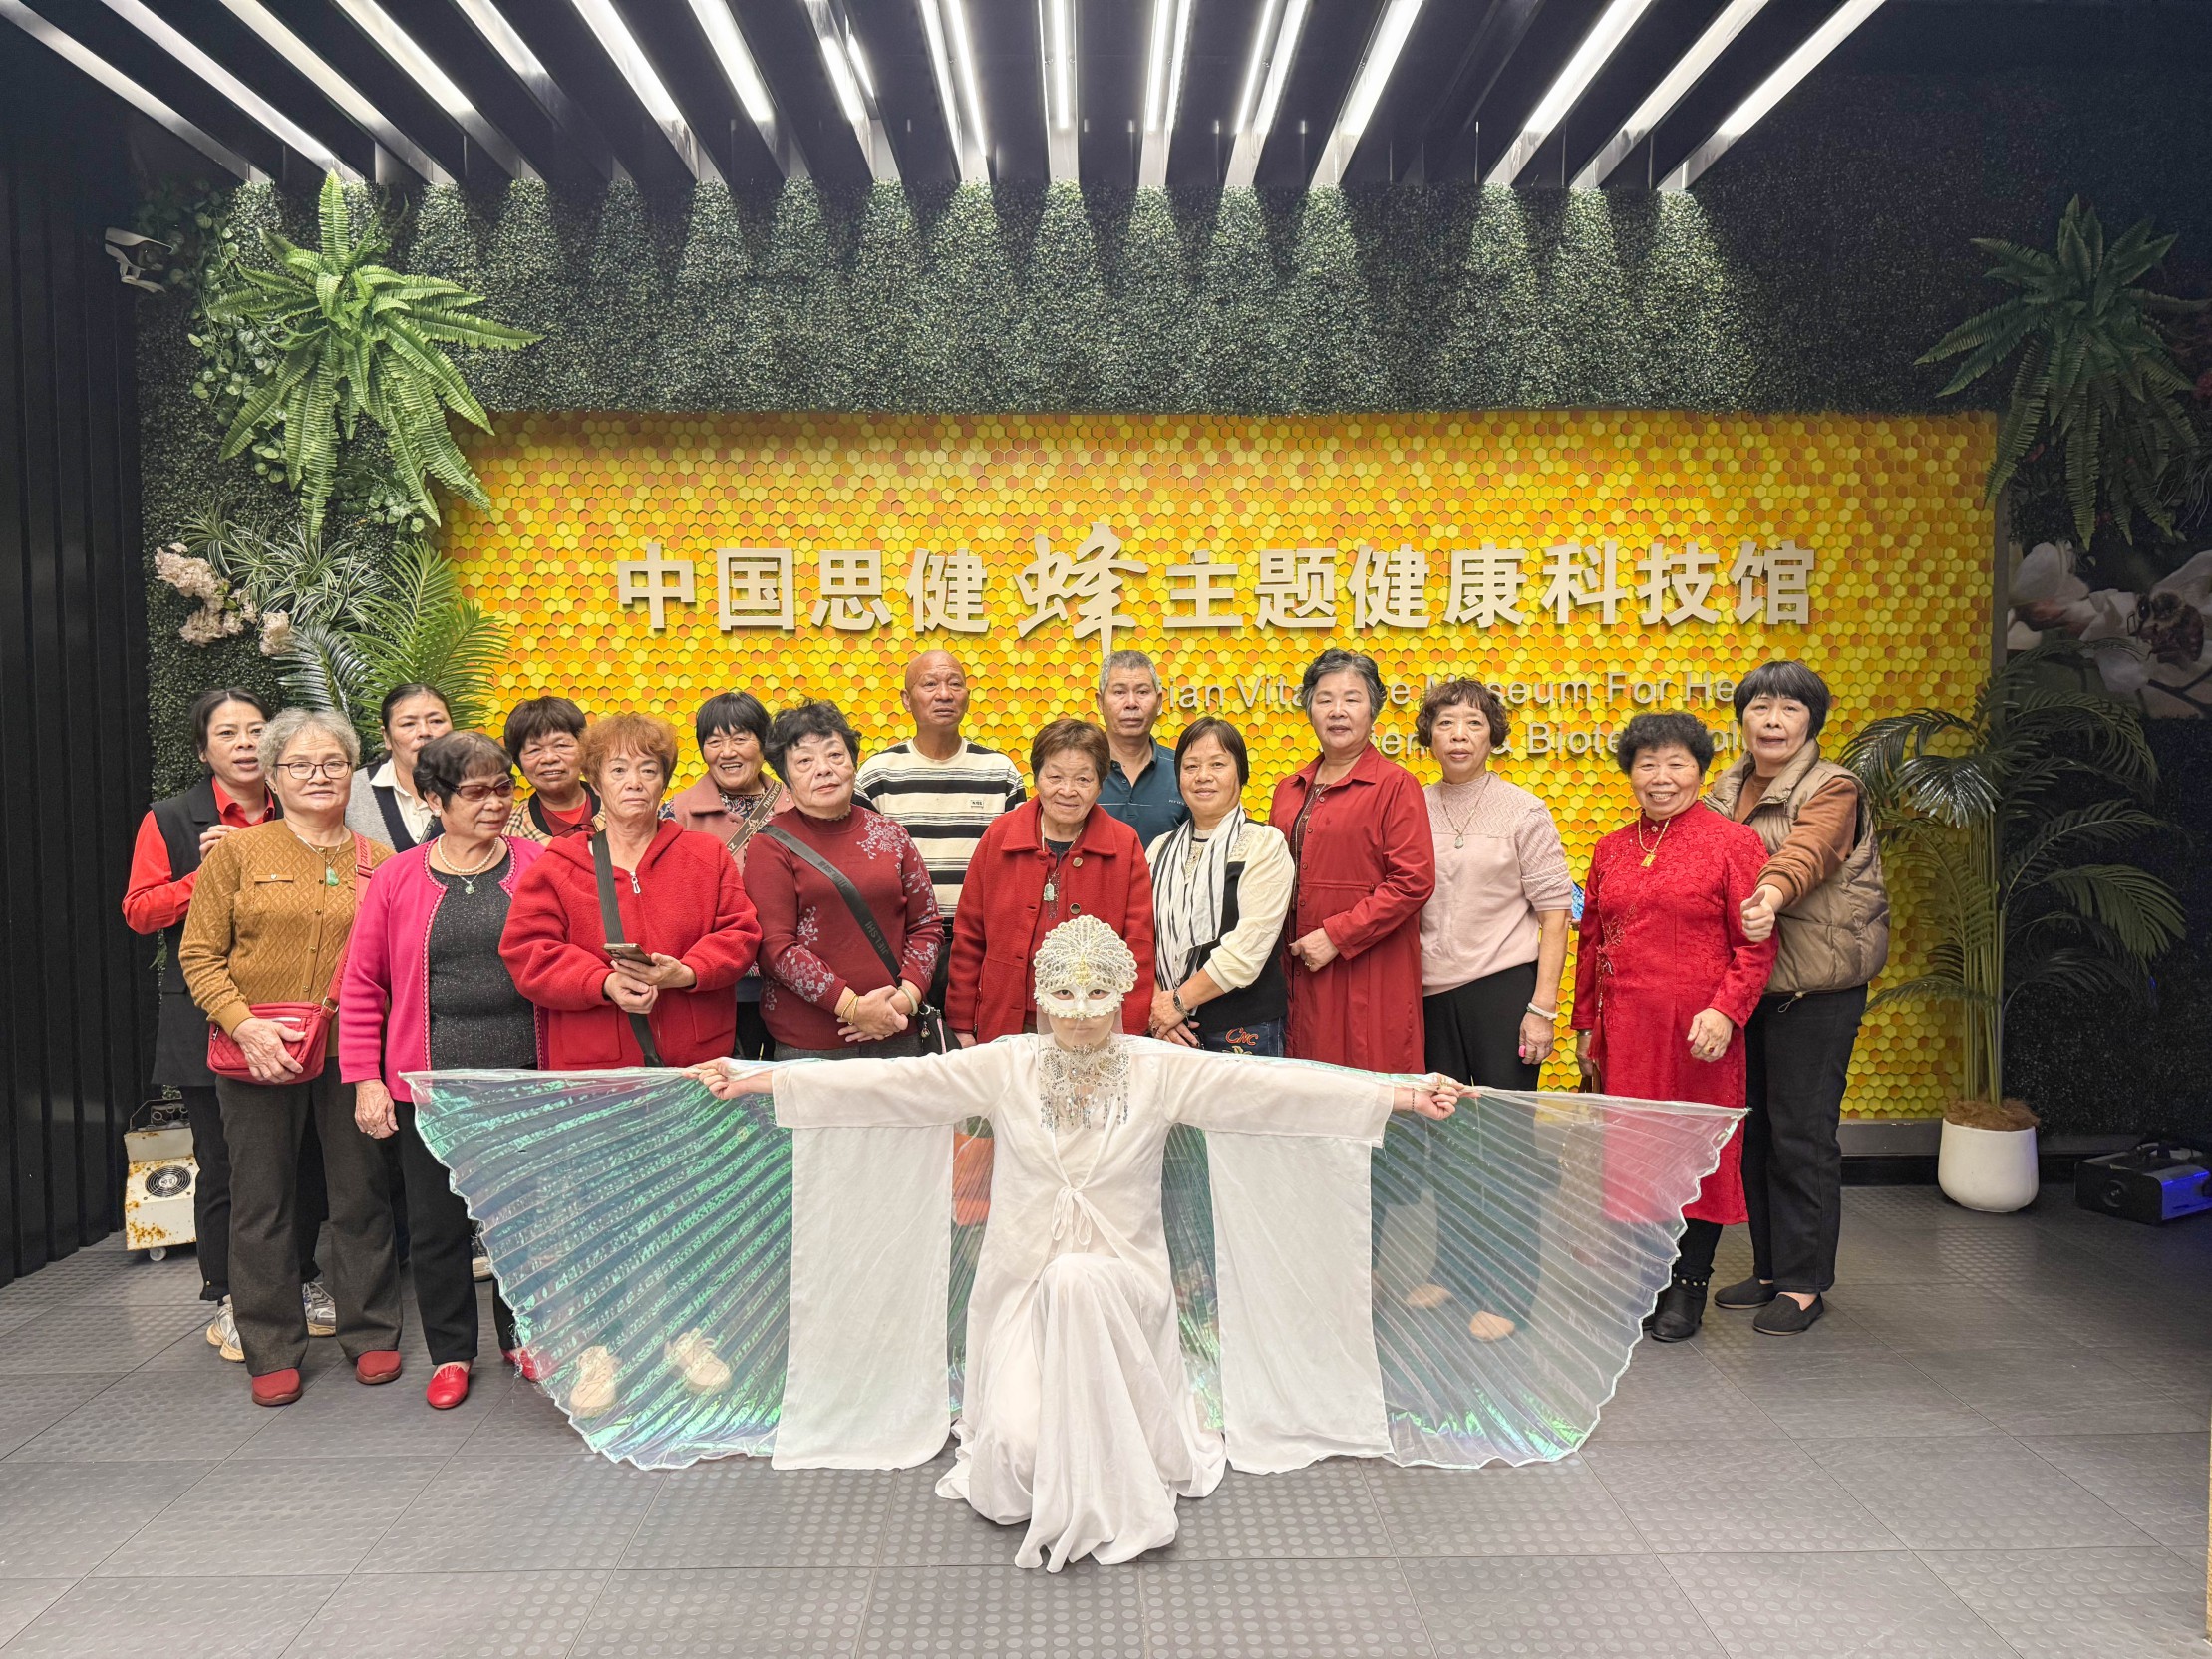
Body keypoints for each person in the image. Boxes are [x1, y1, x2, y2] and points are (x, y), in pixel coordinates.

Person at [412, 918, 1748, 1571]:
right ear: (1038, 995)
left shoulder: (1162, 1070)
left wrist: (1399, 1093)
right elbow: (890, 1088)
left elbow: (1275, 1091)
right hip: (1012, 1284)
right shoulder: (998, 1062)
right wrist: (762, 1078)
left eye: (1096, 991)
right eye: (1057, 990)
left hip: (1124, 1283)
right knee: (1020, 1391)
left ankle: (1123, 1465)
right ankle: (1040, 1458)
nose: (1074, 1010)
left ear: (1123, 993)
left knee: (1092, 1291)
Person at [178, 708, 402, 1407]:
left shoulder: (380, 863)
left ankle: (372, 1333)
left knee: (360, 1193)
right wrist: (245, 1027)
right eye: (300, 765)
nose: (318, 776)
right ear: (273, 777)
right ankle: (270, 1345)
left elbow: (393, 969)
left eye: (333, 763)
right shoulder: (238, 855)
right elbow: (199, 954)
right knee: (262, 1200)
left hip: (349, 1053)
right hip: (256, 1055)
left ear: (352, 772)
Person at [123, 689, 337, 1359]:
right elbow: (140, 911)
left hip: (298, 1017)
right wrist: (210, 872)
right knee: (224, 1163)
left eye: (255, 730)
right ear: (203, 750)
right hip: (204, 1013)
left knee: (302, 1157)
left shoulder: (300, 806)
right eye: (227, 733)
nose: (244, 743)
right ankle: (227, 1295)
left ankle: (301, 1277)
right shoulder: (169, 819)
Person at [342, 732, 541, 1410]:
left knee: (521, 1218)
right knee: (436, 1226)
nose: (495, 803)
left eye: (503, 788)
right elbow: (362, 984)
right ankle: (451, 1352)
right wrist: (366, 1079)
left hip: (523, 1075)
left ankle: (522, 1336)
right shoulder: (398, 877)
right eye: (476, 792)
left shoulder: (538, 865)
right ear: (433, 798)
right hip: (430, 1084)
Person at [1574, 712, 1778, 1343]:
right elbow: (1591, 943)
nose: (1661, 777)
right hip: (1627, 1031)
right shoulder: (1611, 848)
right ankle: (1648, 1279)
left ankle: (1688, 1286)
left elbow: (1756, 945)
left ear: (1700, 770)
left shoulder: (1734, 843)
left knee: (1696, 1157)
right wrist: (1586, 1025)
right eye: (1647, 764)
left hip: (1701, 1032)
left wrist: (1726, 1011)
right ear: (1630, 772)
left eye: (1676, 764)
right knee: (1636, 1159)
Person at [1705, 662, 1890, 1335]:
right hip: (1748, 986)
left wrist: (1768, 896)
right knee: (1753, 1133)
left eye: (1788, 708)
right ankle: (1767, 1269)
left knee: (1800, 1136)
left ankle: (1804, 1283)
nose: (1773, 720)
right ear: (1742, 718)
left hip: (1814, 987)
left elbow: (1807, 854)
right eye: (1760, 707)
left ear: (1811, 720)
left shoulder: (1833, 786)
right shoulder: (1724, 786)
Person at [1398, 679, 1574, 1342]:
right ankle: (1454, 1267)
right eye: (1447, 722)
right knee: (1445, 1141)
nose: (1460, 735)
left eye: (1474, 723)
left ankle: (1509, 1289)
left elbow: (1555, 914)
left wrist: (1542, 1008)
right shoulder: (1411, 804)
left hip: (1503, 991)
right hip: (1428, 993)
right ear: (1429, 734)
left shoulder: (1523, 810)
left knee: (1504, 1147)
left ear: (1492, 734)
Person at [500, 712, 763, 1073]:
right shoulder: (557, 867)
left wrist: (687, 971)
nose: (634, 782)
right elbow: (528, 952)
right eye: (619, 770)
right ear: (595, 782)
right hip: (596, 1069)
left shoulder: (706, 855)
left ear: (663, 783)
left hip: (698, 1066)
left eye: (648, 770)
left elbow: (740, 933)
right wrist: (604, 982)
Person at [1268, 648, 1434, 1072]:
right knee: (1302, 1087)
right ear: (1309, 709)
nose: (1337, 711)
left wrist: (1336, 936)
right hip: (1294, 971)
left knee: (1367, 1088)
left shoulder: (1396, 785)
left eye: (1351, 698)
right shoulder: (1289, 789)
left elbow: (1413, 881)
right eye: (1325, 699)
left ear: (1373, 709)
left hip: (1367, 971)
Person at [745, 701, 939, 1060]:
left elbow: (925, 924)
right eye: (804, 761)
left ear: (853, 763)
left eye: (835, 754)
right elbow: (775, 947)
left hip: (898, 1030)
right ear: (786, 777)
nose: (824, 769)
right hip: (810, 1043)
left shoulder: (891, 834)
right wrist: (853, 1007)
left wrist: (904, 1000)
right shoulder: (770, 845)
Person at [948, 719, 1155, 1044]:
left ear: (1100, 785)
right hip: (1005, 1023)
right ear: (1036, 778)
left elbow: (1138, 947)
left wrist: (1127, 1035)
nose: (1067, 790)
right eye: (1055, 776)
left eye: (1083, 779)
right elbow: (969, 937)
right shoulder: (1000, 836)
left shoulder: (1124, 844)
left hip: (1094, 1028)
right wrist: (961, 1024)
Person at [854, 650, 1026, 1010]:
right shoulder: (876, 775)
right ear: (906, 699)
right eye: (930, 684)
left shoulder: (1000, 773)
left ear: (967, 695)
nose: (944, 694)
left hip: (979, 948)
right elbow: (861, 870)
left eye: (954, 684)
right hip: (899, 951)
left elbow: (1018, 870)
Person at [1144, 717, 1292, 1056]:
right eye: (1191, 766)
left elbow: (1248, 948)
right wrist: (1158, 1006)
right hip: (1165, 1029)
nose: (1203, 776)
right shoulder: (1159, 849)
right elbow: (1139, 936)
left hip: (1244, 1029)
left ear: (1241, 773)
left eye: (1217, 764)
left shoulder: (1263, 844)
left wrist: (1177, 1003)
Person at [664, 692, 790, 1061]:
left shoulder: (799, 804)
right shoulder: (675, 814)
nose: (727, 752)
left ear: (763, 742)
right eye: (714, 741)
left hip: (792, 981)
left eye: (740, 738)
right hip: (714, 983)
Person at [1095, 650, 1187, 845]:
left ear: (1159, 701)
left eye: (1142, 692)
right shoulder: (1077, 769)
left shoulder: (1184, 769)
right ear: (1100, 702)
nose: (1131, 703)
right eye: (1119, 692)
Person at [347, 682, 453, 850]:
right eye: (408, 724)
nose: (424, 731)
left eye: (436, 721)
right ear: (386, 737)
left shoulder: (479, 788)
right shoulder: (351, 790)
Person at [502, 695, 596, 844]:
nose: (549, 758)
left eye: (561, 745)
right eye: (534, 749)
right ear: (518, 762)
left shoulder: (621, 808)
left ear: (584, 749)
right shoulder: (508, 835)